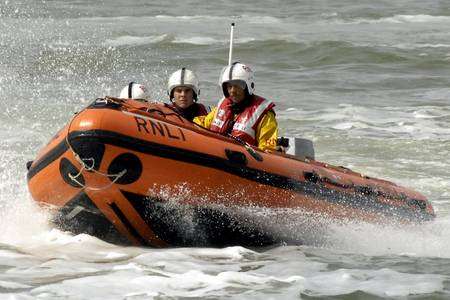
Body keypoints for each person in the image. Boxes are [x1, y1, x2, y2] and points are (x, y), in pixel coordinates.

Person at [194, 62, 278, 151]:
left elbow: (267, 150)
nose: (232, 91)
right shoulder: (222, 106)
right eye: (229, 86)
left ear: (248, 86)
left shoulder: (265, 115)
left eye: (237, 86)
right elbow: (203, 124)